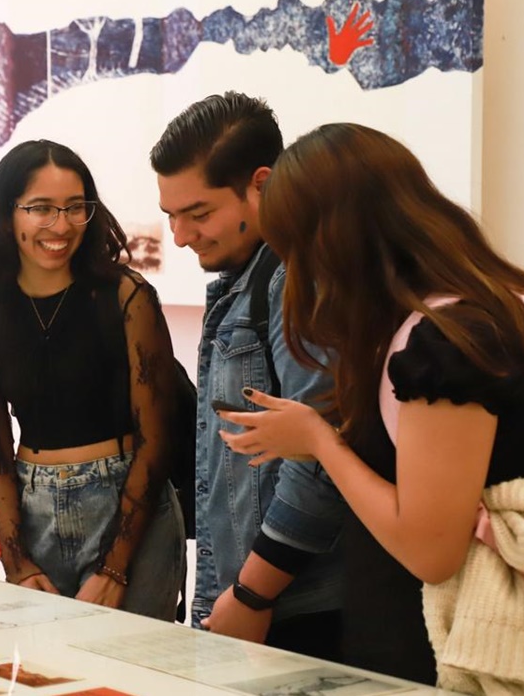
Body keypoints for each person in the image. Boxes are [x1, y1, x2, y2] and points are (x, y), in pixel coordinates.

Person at [217, 122, 524, 683]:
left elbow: (430, 549)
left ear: (334, 240)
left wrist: (319, 440)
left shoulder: (449, 341)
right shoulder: (495, 304)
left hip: (447, 651)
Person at [150, 92, 347, 657]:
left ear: (261, 184)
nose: (183, 235)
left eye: (199, 213)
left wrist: (252, 594)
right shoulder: (253, 278)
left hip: (292, 608)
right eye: (172, 217)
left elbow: (319, 466)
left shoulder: (295, 281)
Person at [0, 139, 185, 617]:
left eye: (75, 208)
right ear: (7, 214)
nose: (61, 226)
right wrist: (15, 558)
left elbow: (156, 437)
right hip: (34, 506)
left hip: (130, 505)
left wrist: (116, 567)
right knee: (49, 678)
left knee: (138, 677)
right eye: (41, 209)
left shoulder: (126, 295)